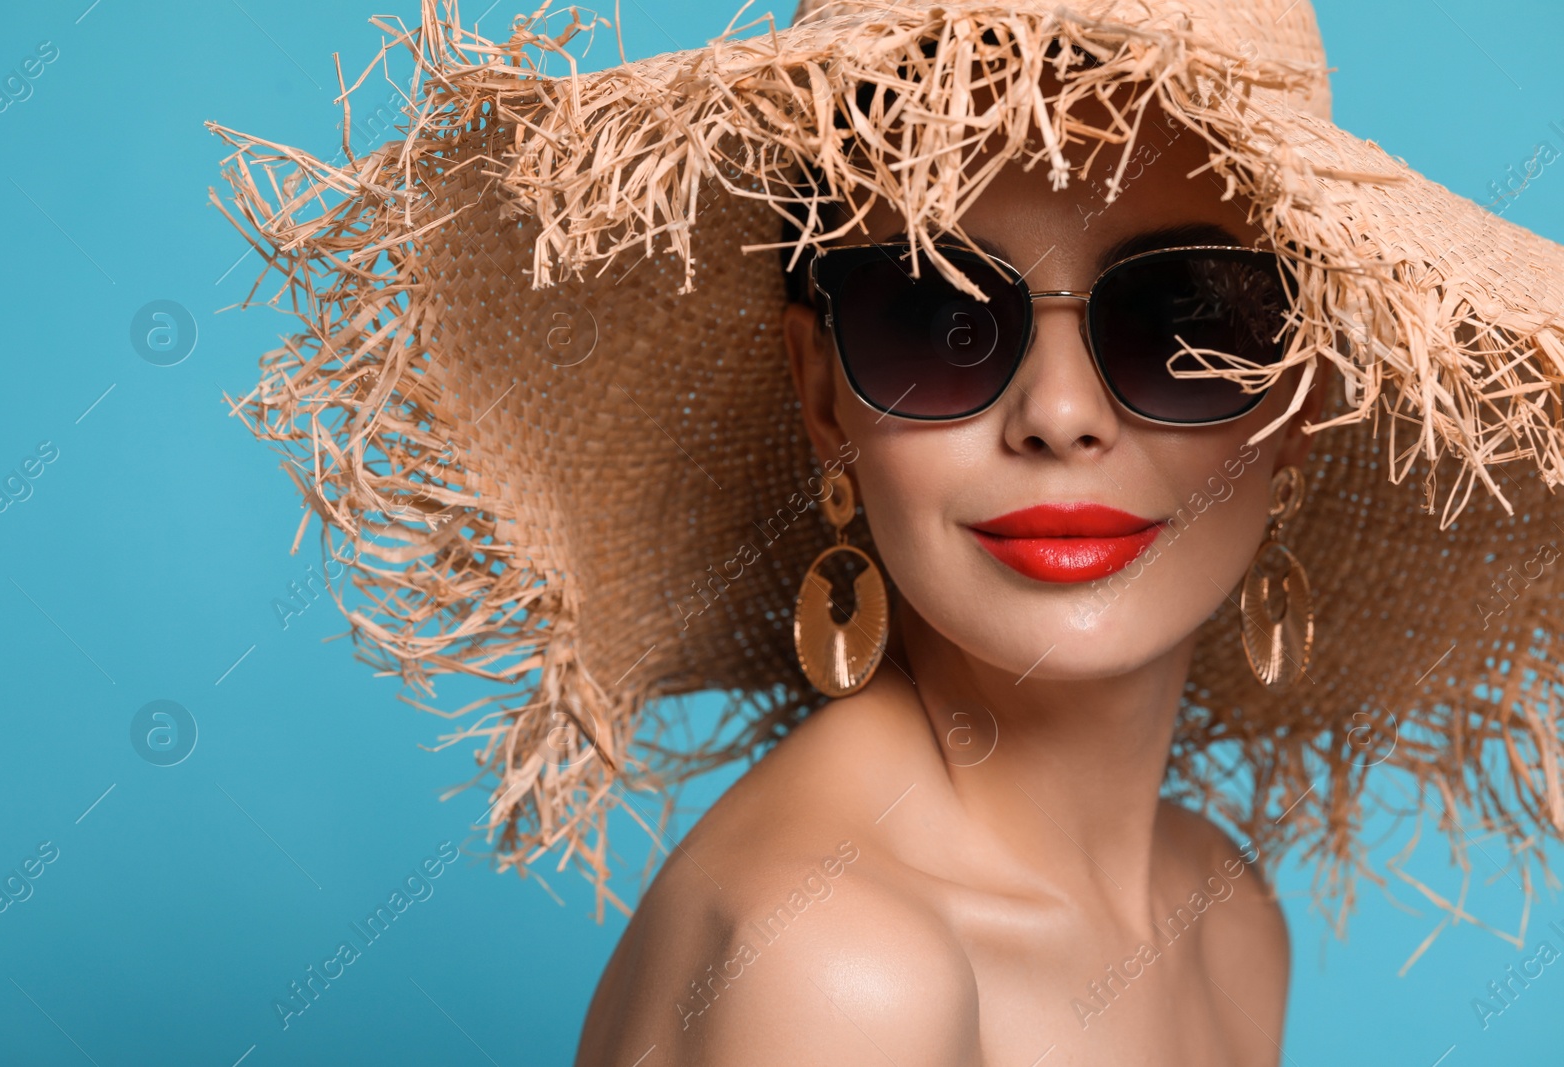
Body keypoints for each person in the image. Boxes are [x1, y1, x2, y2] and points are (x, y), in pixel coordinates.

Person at [209, 0, 1564, 1063]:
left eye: (1189, 320)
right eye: (933, 316)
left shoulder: (1223, 921)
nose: (1057, 415)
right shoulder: (839, 973)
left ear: (1303, 402)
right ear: (823, 399)